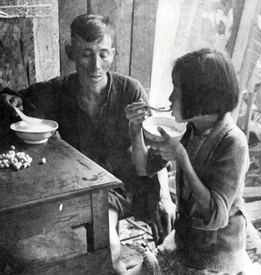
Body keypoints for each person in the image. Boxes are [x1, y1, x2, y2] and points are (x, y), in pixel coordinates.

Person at [0, 14, 174, 275]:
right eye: (86, 54)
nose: (95, 65)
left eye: (103, 54)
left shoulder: (130, 91)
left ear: (113, 54)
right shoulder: (56, 91)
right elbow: (13, 99)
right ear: (70, 52)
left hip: (121, 186)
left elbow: (156, 148)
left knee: (109, 252)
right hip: (81, 193)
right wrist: (9, 100)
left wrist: (163, 195)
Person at [124, 48, 250, 274]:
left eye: (177, 90)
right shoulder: (190, 130)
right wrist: (135, 130)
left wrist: (181, 157)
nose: (171, 98)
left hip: (214, 257)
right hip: (185, 244)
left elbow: (215, 217)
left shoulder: (234, 143)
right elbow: (143, 168)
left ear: (199, 96)